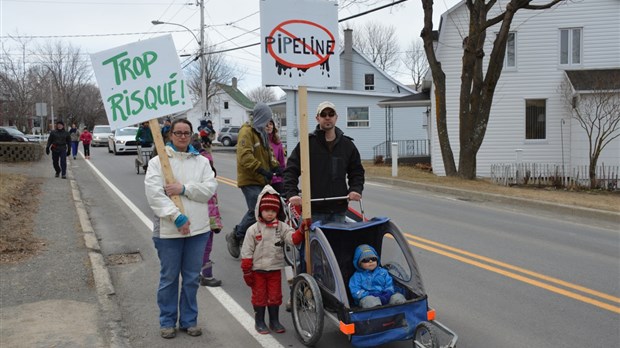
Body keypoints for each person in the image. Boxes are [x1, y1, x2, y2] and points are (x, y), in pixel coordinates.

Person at [144, 119, 218, 339]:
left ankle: (189, 320)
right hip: (169, 232)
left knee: (192, 278)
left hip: (199, 230)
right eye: (178, 133)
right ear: (170, 135)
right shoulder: (159, 162)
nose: (183, 136)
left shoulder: (202, 162)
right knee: (169, 277)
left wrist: (183, 189)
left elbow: (209, 189)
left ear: (192, 135)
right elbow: (154, 195)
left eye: (186, 133)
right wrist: (176, 217)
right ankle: (167, 321)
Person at [283, 101, 365, 224]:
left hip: (339, 209)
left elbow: (357, 171)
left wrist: (355, 189)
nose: (327, 117)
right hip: (313, 210)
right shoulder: (307, 144)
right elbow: (291, 170)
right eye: (323, 114)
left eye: (331, 114)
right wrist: (292, 193)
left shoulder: (347, 145)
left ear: (336, 118)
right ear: (317, 118)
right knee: (310, 243)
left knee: (338, 243)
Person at [240, 185, 304, 334]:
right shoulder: (253, 229)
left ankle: (274, 321)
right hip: (257, 270)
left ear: (278, 212)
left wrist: (301, 230)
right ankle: (260, 321)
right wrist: (246, 270)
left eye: (273, 211)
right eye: (267, 210)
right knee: (259, 296)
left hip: (274, 269)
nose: (270, 214)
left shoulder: (281, 227)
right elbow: (247, 251)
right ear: (259, 210)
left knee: (275, 296)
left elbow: (292, 239)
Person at [226, 103, 281, 259]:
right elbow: (245, 156)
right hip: (250, 178)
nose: (267, 122)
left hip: (261, 179)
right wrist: (261, 169)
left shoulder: (261, 132)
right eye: (266, 118)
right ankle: (236, 235)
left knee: (263, 211)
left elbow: (269, 153)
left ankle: (249, 239)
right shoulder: (247, 132)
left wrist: (276, 167)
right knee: (256, 211)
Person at [191, 138, 224, 287]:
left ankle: (198, 274)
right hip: (201, 219)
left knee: (205, 247)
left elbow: (213, 205)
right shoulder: (201, 184)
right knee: (204, 247)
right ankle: (206, 275)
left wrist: (216, 222)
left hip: (208, 219)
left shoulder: (209, 183)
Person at [349, 244, 406, 308]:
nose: (370, 261)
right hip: (367, 297)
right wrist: (369, 294)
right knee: (370, 301)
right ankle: (378, 314)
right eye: (366, 260)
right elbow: (355, 291)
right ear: (359, 263)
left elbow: (389, 284)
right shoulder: (357, 276)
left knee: (398, 297)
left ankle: (401, 313)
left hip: (385, 295)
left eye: (373, 259)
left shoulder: (383, 272)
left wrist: (388, 292)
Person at [266, 120, 286, 194]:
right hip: (264, 180)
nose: (269, 126)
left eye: (271, 124)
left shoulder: (278, 143)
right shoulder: (259, 142)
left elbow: (282, 163)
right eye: (266, 125)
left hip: (276, 180)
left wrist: (283, 178)